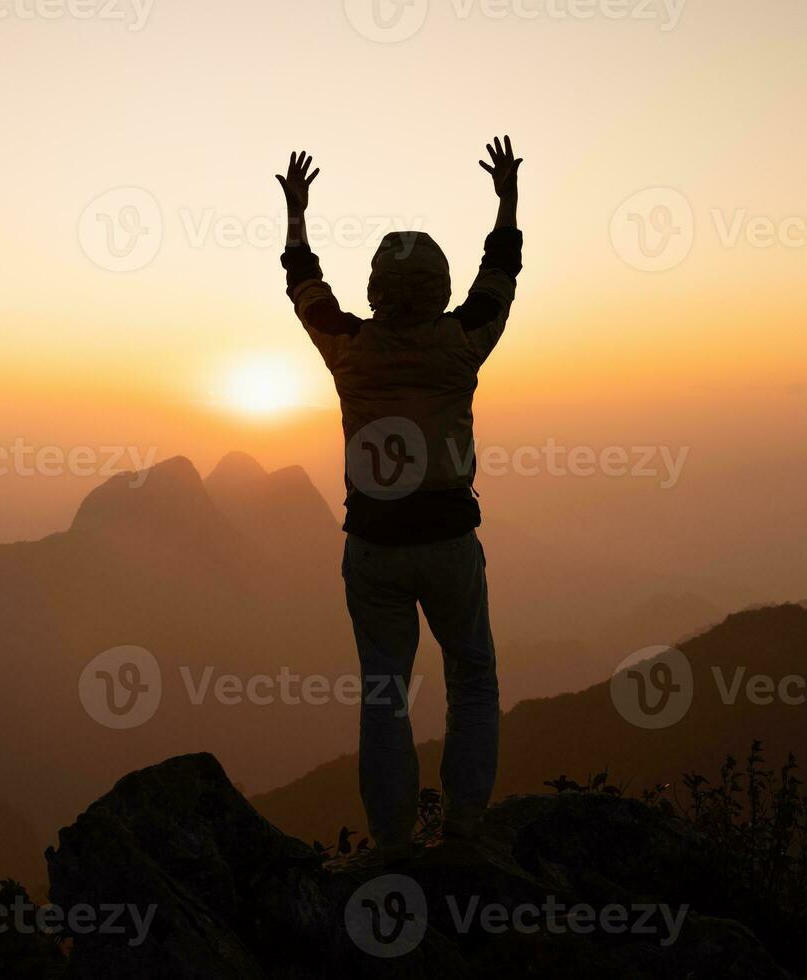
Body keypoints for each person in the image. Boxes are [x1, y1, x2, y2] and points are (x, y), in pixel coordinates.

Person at [276, 138, 524, 858]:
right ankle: (465, 825)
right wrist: (506, 198)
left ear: (377, 290)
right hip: (448, 544)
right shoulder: (462, 341)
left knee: (384, 695)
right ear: (439, 288)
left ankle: (390, 843)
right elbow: (500, 276)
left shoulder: (347, 345)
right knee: (471, 677)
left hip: (375, 549)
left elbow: (304, 287)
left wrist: (297, 213)